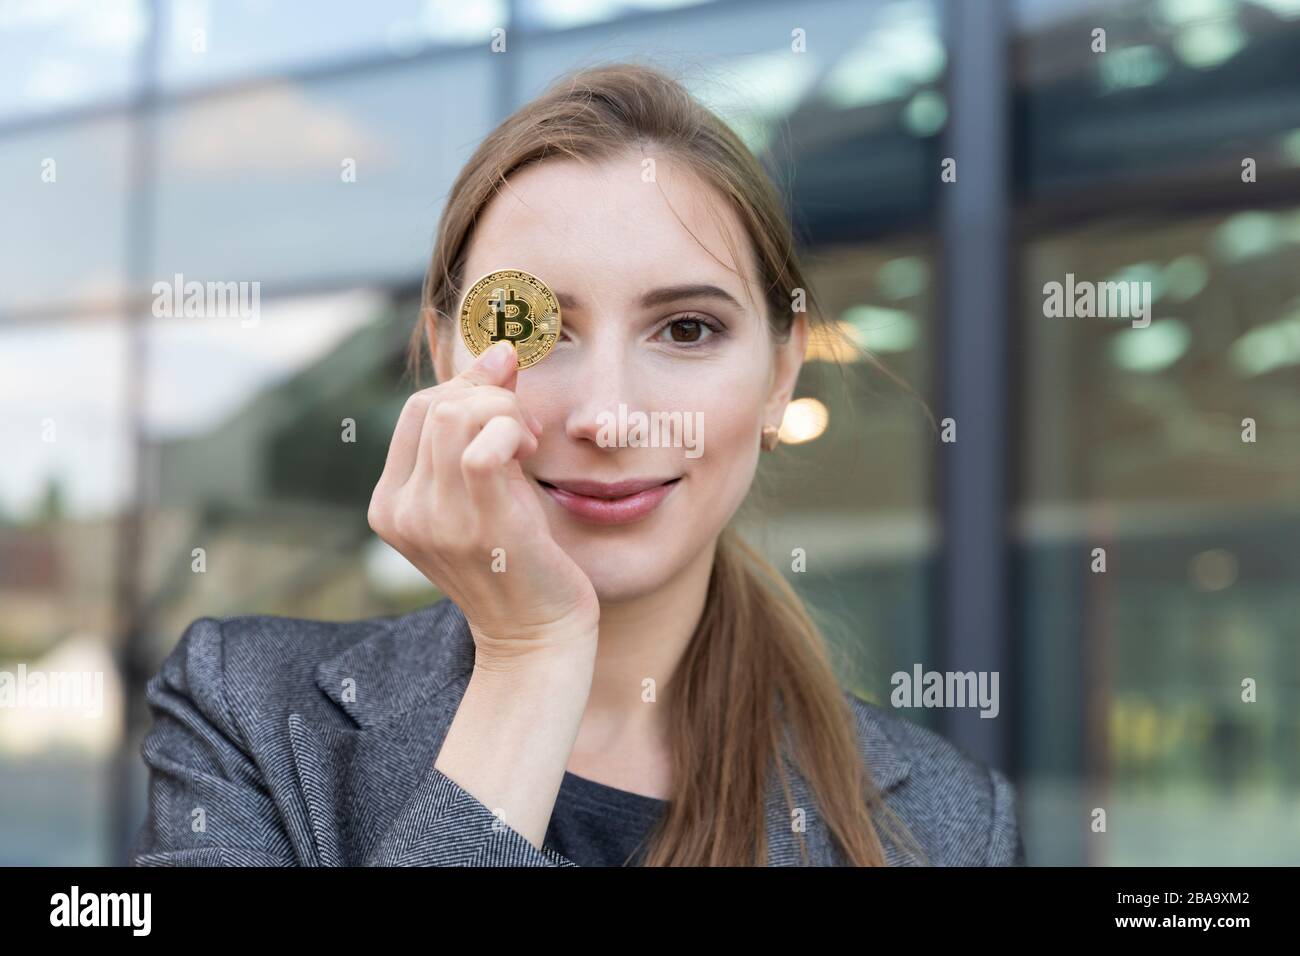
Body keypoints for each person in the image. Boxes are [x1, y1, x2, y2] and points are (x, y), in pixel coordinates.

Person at [131, 62, 1024, 867]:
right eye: (533, 331)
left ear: (780, 375)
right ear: (449, 361)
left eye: (686, 329)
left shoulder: (955, 829)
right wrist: (530, 659)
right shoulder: (243, 714)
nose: (606, 416)